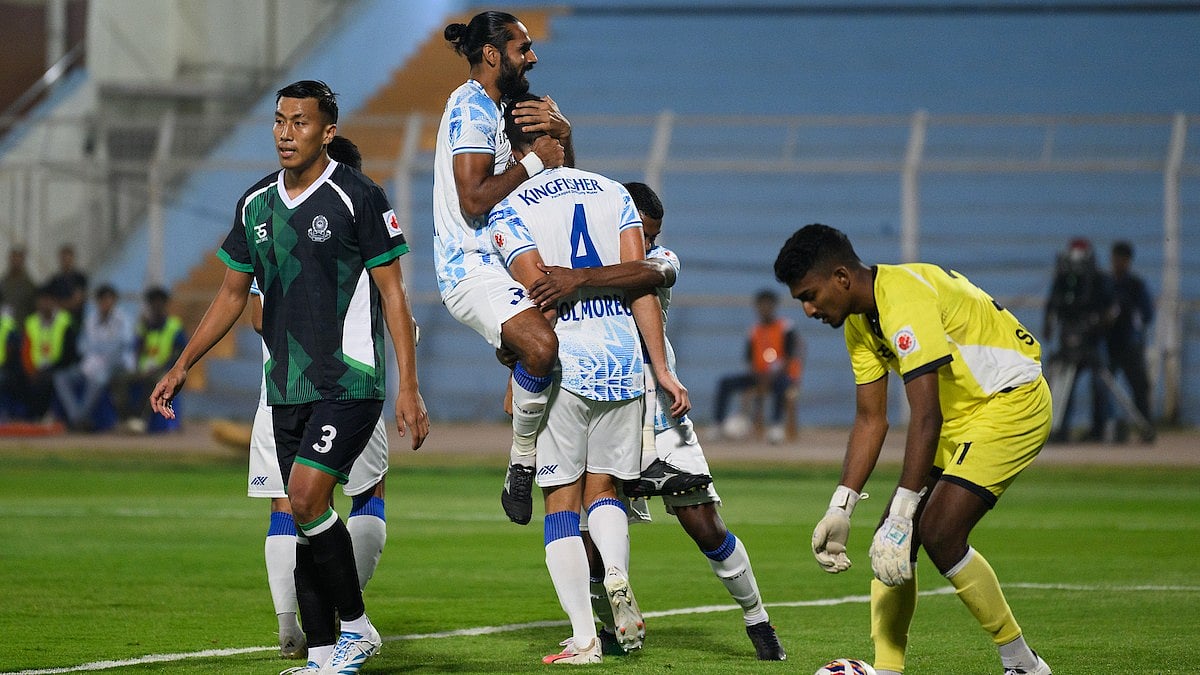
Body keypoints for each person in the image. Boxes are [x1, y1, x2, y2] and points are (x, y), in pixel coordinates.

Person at [150, 80, 428, 675]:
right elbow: (231, 296)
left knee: (304, 498)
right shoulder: (255, 205)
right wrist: (181, 364)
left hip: (349, 382)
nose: (285, 132)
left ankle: (355, 628)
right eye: (279, 120)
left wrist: (408, 386)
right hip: (285, 388)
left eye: (300, 123)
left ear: (328, 131)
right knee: (308, 518)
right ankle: (324, 657)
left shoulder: (359, 196)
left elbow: (394, 296)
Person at [774, 224, 1053, 675]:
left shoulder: (903, 298)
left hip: (1011, 401)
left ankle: (1022, 664)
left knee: (938, 531)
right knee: (891, 542)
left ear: (841, 278)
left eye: (810, 294)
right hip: (961, 415)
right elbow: (871, 420)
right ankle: (888, 669)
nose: (808, 309)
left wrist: (906, 512)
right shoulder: (860, 325)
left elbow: (926, 415)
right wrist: (841, 506)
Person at [526, 181, 786, 661]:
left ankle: (758, 620)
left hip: (662, 412)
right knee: (589, 532)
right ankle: (609, 628)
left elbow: (649, 271)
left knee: (703, 524)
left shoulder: (656, 260)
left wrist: (577, 278)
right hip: (605, 398)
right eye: (639, 232)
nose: (646, 242)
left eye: (651, 234)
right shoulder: (576, 268)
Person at [490, 99, 690, 664]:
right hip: (622, 358)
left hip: (563, 362)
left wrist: (522, 376)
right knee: (605, 492)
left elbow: (538, 297)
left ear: (511, 149)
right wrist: (662, 367)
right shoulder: (614, 194)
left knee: (561, 502)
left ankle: (585, 637)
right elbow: (642, 284)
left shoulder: (509, 209)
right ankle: (619, 576)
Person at [245, 136, 392, 661]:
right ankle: (345, 623)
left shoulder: (271, 222)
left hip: (285, 384)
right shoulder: (350, 220)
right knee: (363, 493)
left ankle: (304, 628)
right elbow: (395, 310)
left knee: (292, 505)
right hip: (338, 380)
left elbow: (256, 313)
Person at [435, 10, 575, 525]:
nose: (532, 57)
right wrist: (534, 159)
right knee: (542, 345)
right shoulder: (471, 109)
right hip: (468, 265)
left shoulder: (496, 110)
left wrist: (562, 135)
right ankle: (522, 464)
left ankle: (518, 375)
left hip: (504, 257)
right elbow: (473, 199)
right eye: (523, 48)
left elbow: (565, 181)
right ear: (492, 54)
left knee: (570, 309)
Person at [1042, 238, 1114, 442]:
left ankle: (1100, 428)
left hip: (1092, 342)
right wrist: (1049, 324)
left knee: (1100, 384)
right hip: (1068, 340)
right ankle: (1059, 428)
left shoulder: (1099, 280)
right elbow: (1053, 304)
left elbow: (1110, 308)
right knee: (1063, 385)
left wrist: (1098, 322)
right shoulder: (1062, 280)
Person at [713, 289, 804, 443]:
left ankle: (776, 426)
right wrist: (758, 374)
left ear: (774, 306)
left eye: (768, 305)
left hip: (783, 376)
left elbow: (791, 355)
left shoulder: (785, 327)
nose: (764, 309)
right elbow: (749, 359)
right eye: (761, 306)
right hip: (759, 375)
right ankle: (718, 424)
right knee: (725, 383)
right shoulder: (754, 330)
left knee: (780, 386)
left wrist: (774, 374)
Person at [52, 284, 135, 431]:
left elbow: (124, 346)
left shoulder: (123, 320)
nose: (105, 304)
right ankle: (77, 417)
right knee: (61, 378)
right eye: (102, 300)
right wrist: (92, 359)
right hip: (91, 364)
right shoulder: (90, 320)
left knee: (97, 378)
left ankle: (78, 420)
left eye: (109, 300)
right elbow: (82, 346)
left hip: (116, 365)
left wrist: (102, 358)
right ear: (98, 302)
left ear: (114, 301)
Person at [113, 287, 187, 432]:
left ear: (165, 304)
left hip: (165, 371)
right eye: (152, 303)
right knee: (119, 379)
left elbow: (178, 355)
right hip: (143, 369)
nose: (156, 307)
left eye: (159, 303)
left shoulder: (174, 326)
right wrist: (137, 367)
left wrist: (160, 369)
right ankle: (127, 418)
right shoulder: (144, 326)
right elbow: (136, 351)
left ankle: (141, 421)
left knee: (155, 382)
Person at [1106, 240, 1155, 442]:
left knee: (1139, 387)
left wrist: (1133, 322)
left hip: (1129, 344)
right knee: (1102, 386)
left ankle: (1145, 426)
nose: (1118, 263)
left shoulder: (1135, 286)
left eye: (1122, 260)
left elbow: (1147, 314)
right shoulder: (1106, 284)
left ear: (1128, 261)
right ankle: (1101, 427)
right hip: (1109, 343)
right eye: (1115, 259)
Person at [19, 285, 79, 421]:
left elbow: (69, 354)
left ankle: (52, 415)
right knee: (20, 378)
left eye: (48, 300)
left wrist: (50, 368)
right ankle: (27, 416)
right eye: (41, 300)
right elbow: (25, 352)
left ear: (54, 301)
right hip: (36, 369)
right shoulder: (31, 322)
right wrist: (31, 370)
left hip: (59, 367)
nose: (44, 304)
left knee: (51, 379)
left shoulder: (65, 322)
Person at [46, 244, 89, 325]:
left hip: (76, 320)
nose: (66, 261)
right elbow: (50, 302)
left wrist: (60, 305)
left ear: (73, 259)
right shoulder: (54, 280)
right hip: (60, 322)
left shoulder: (80, 278)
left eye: (68, 258)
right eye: (63, 259)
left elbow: (77, 301)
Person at [1, 247, 37, 322]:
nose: (16, 262)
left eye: (18, 259)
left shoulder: (29, 285)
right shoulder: (3, 283)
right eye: (14, 258)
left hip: (21, 325)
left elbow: (33, 309)